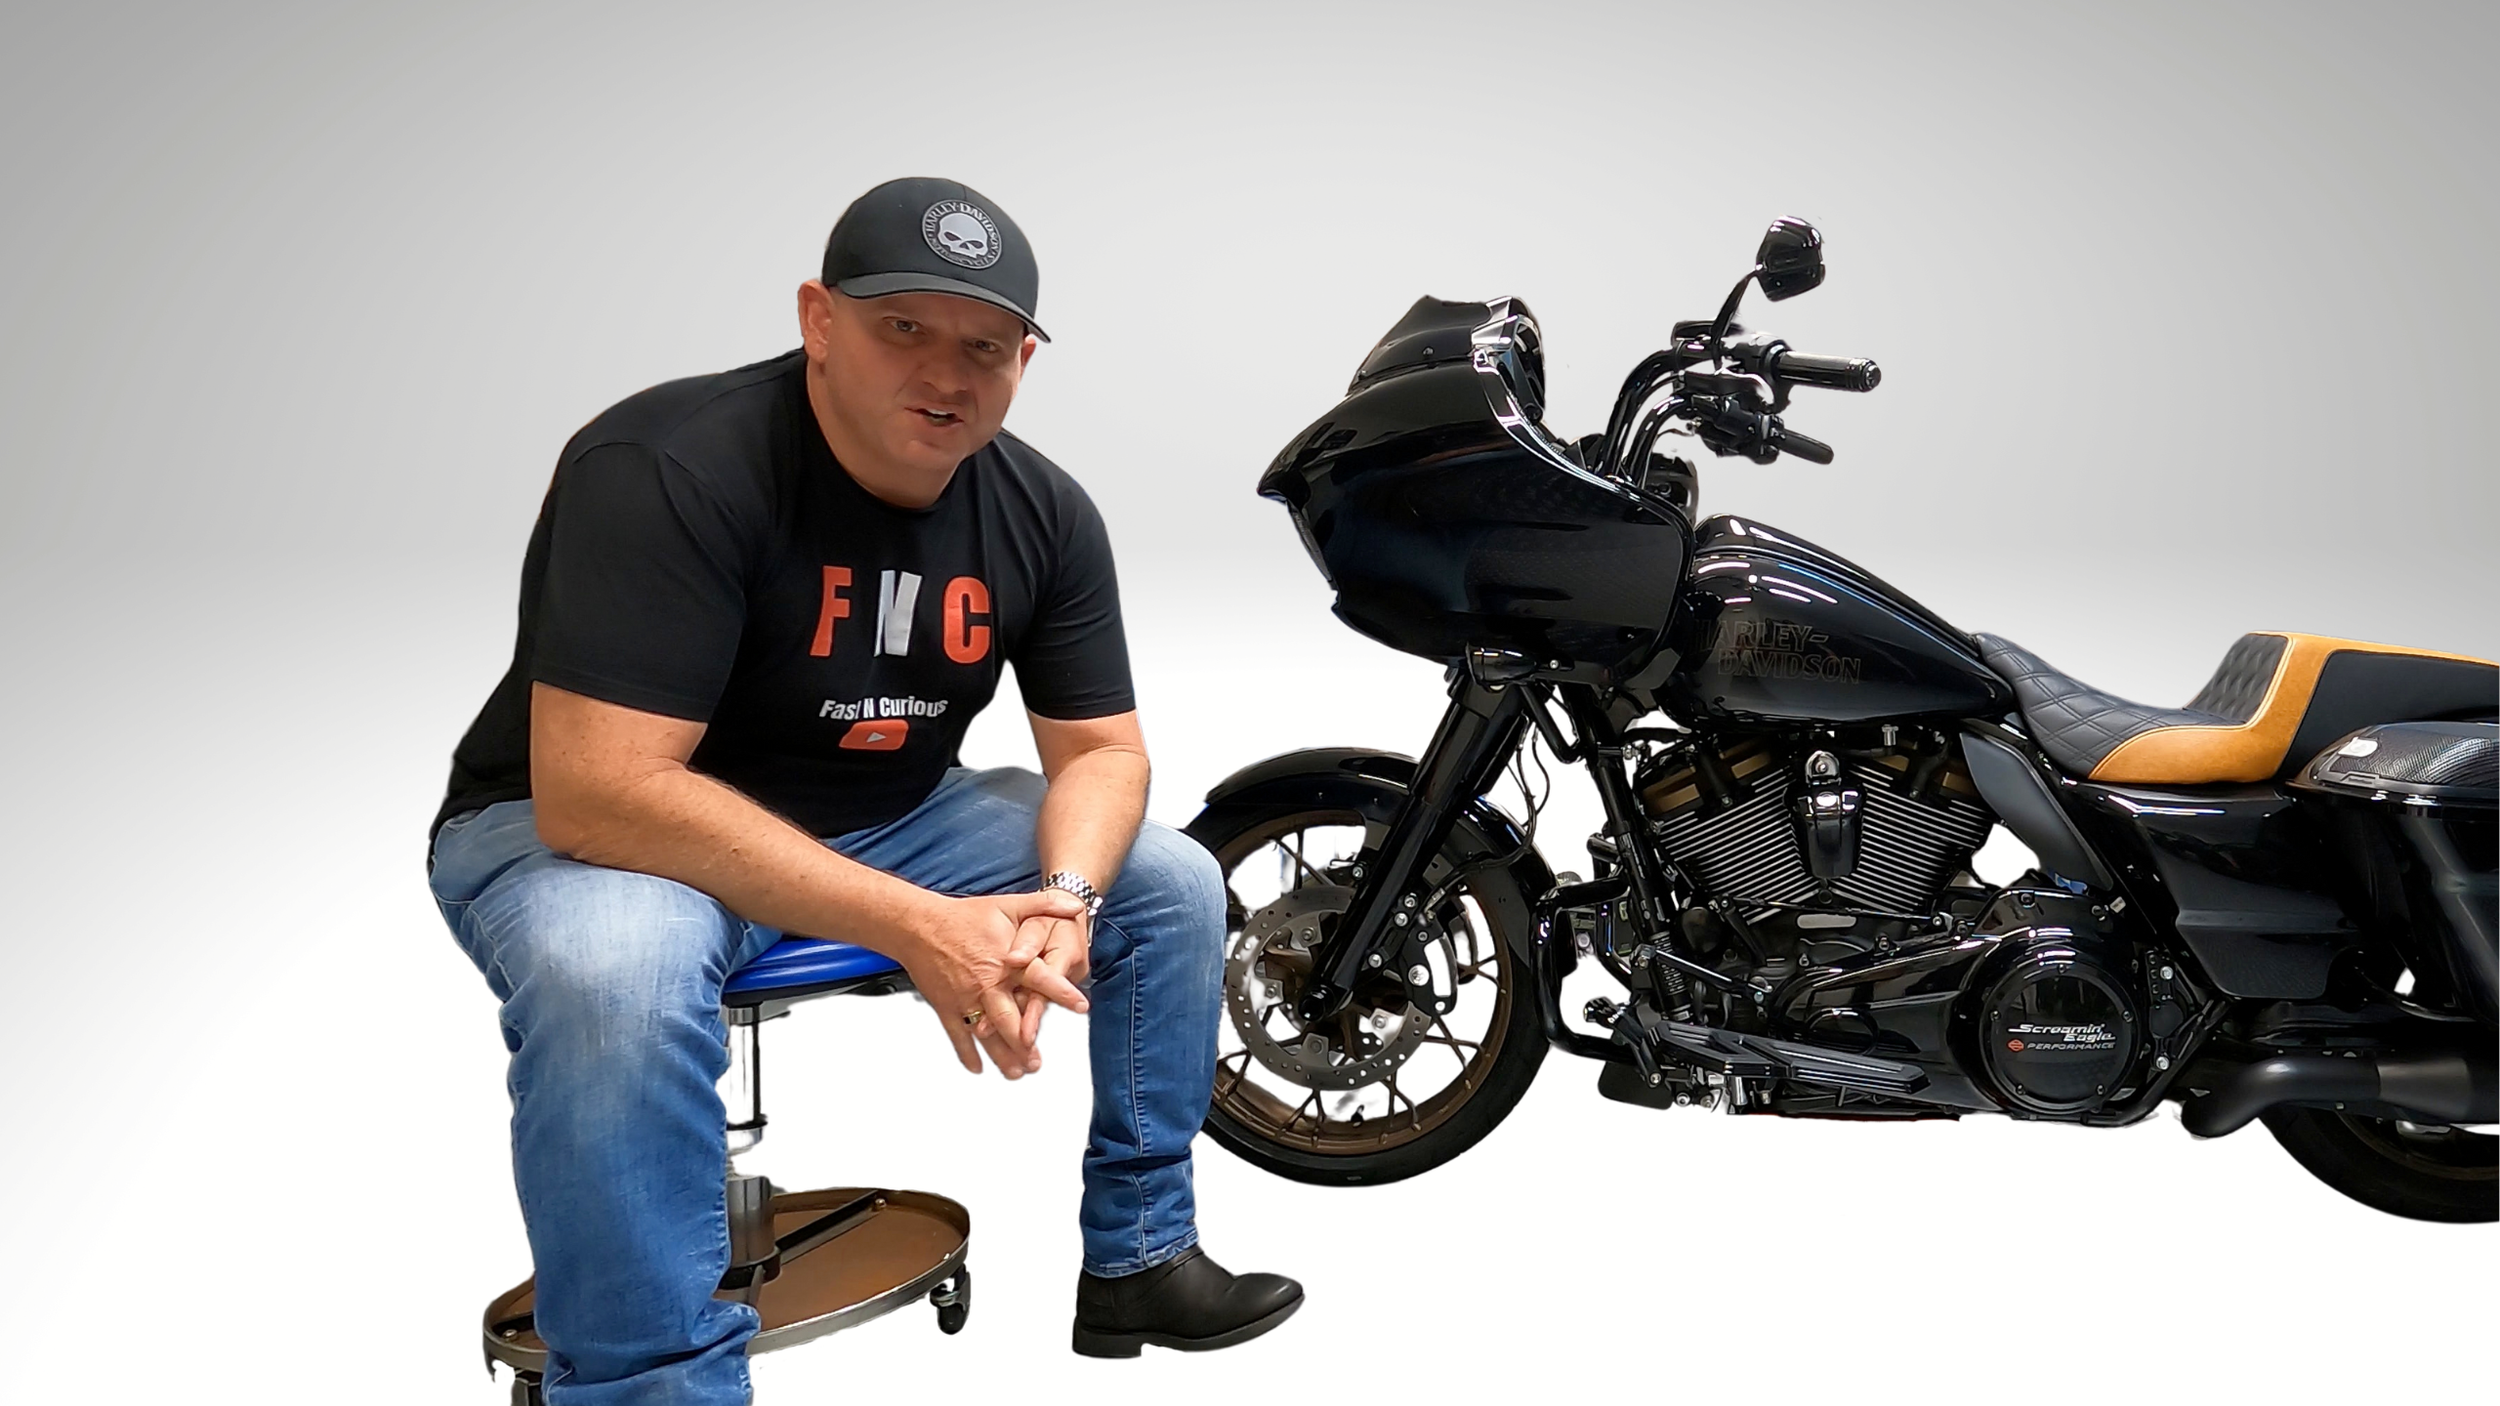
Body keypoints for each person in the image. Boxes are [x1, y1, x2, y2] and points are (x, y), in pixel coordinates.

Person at [425, 176, 1301, 1404]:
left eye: (985, 347)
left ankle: (1140, 1254)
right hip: (593, 836)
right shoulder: (668, 463)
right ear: (818, 321)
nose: (947, 374)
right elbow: (601, 793)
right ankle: (646, 1387)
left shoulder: (1042, 510)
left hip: (884, 814)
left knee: (1167, 879)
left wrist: (1059, 894)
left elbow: (1101, 751)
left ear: (1022, 363)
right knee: (613, 973)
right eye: (905, 328)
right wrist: (914, 923)